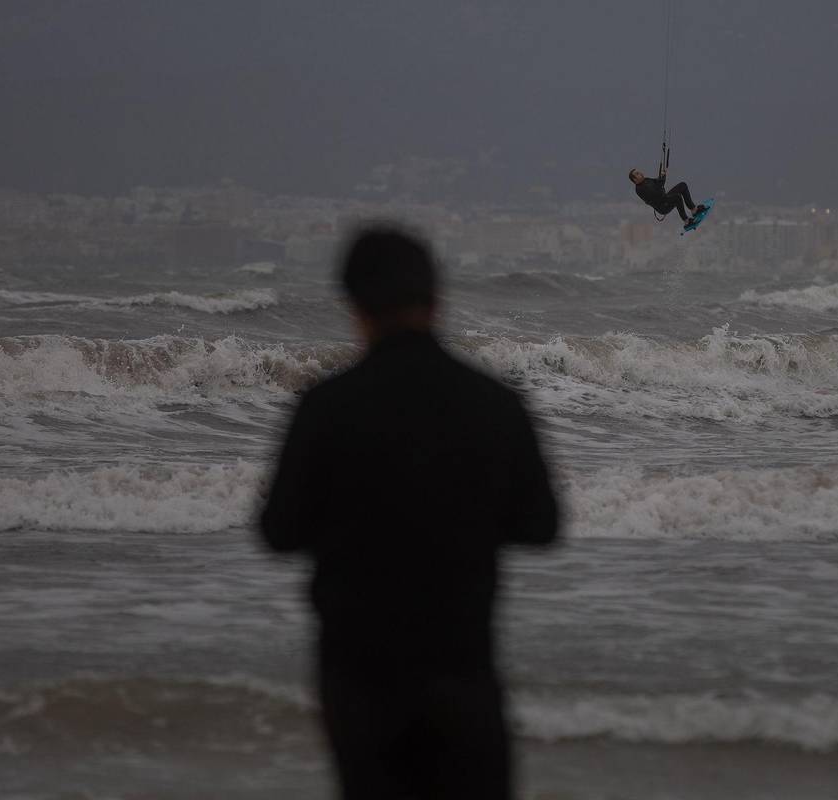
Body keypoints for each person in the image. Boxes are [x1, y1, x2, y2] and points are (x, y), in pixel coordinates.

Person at [259, 224, 560, 799]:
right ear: (436, 298)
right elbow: (541, 526)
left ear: (353, 305)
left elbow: (278, 533)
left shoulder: (326, 407)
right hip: (462, 668)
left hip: (358, 679)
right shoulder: (494, 403)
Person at [629, 163, 705, 228]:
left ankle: (694, 210)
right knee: (677, 197)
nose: (641, 173)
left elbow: (657, 182)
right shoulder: (640, 189)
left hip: (665, 198)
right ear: (635, 180)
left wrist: (662, 176)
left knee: (682, 185)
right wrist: (663, 178)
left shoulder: (646, 180)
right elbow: (657, 192)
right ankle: (686, 221)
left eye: (639, 172)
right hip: (662, 206)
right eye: (637, 174)